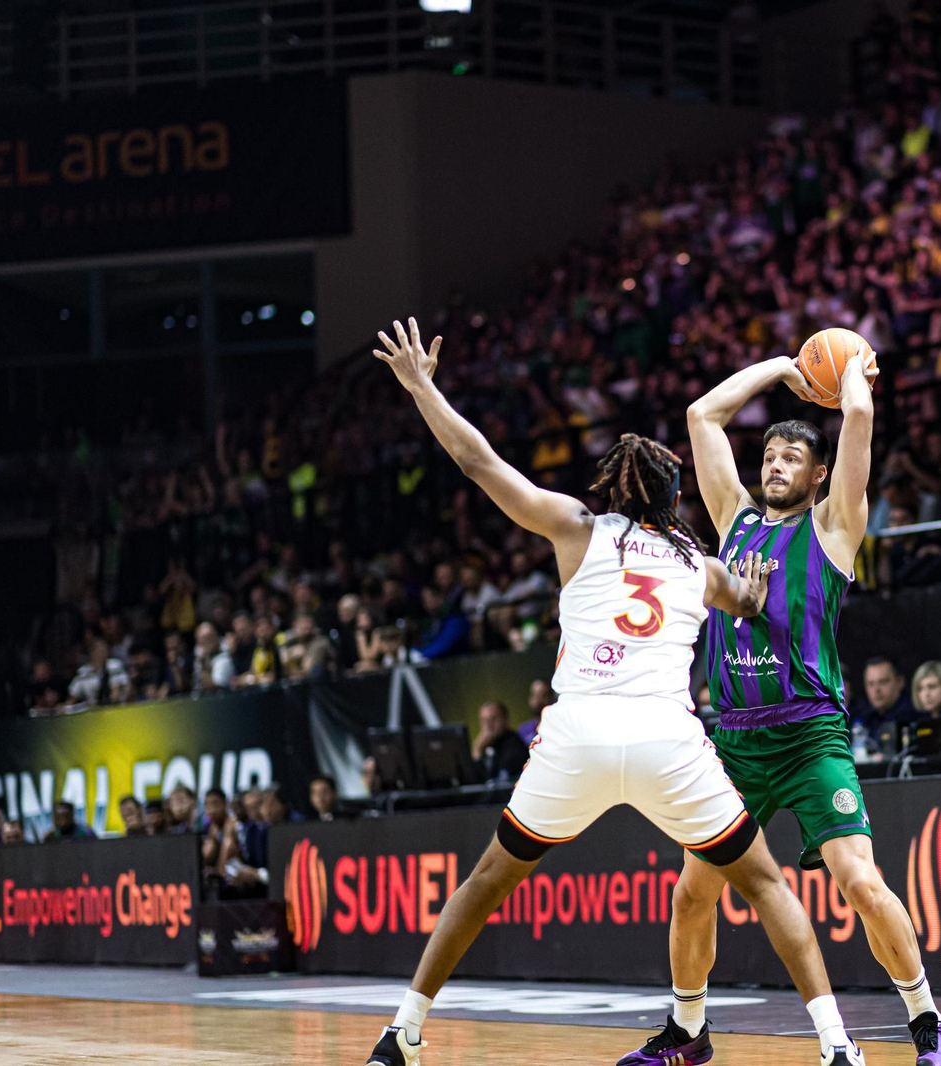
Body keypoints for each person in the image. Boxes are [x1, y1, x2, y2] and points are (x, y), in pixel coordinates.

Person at [364, 319, 853, 1066]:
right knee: (762, 883)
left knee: (488, 881)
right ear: (672, 498)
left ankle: (404, 1031)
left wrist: (421, 386)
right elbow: (749, 604)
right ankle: (837, 1046)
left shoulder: (575, 526)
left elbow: (476, 459)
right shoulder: (696, 560)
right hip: (666, 740)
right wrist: (750, 595)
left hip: (578, 735)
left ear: (612, 487)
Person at [677, 345, 941, 1066]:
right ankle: (690, 1028)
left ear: (818, 474)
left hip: (810, 737)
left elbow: (858, 421)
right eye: (768, 455)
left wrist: (851, 373)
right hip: (734, 741)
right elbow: (702, 415)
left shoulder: (834, 527)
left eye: (790, 458)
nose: (774, 465)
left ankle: (926, 1019)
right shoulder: (732, 517)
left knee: (862, 883)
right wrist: (778, 366)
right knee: (691, 894)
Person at [855, 657, 924, 746]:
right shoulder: (864, 718)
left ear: (900, 682)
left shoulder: (915, 715)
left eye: (883, 682)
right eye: (871, 684)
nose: (876, 689)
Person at [472, 699, 531, 784]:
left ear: (505, 720)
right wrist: (477, 753)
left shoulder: (515, 747)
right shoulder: (485, 746)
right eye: (484, 720)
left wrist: (478, 753)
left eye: (493, 719)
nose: (488, 725)